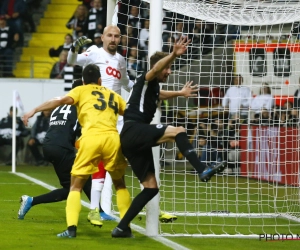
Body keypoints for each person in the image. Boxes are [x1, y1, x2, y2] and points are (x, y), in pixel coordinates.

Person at [111, 36, 226, 238]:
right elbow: (156, 71)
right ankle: (202, 169)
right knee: (178, 130)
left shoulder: (152, 88)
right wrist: (173, 54)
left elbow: (160, 94)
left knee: (151, 188)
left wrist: (180, 93)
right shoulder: (146, 77)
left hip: (132, 140)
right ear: (158, 66)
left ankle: (121, 227)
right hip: (134, 130)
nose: (170, 71)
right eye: (168, 68)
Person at [68, 25, 176, 224]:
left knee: (138, 161)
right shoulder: (94, 52)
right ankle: (95, 209)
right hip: (97, 119)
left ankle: (154, 208)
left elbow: (128, 84)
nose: (113, 39)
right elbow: (72, 61)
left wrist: (146, 91)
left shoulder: (121, 60)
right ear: (102, 37)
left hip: (118, 119)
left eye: (117, 36)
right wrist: (73, 48)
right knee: (99, 162)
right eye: (110, 35)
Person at [22, 64, 131, 238]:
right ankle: (123, 227)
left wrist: (34, 110)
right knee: (120, 185)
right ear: (100, 80)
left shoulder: (79, 93)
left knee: (74, 186)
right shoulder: (113, 94)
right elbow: (131, 114)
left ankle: (72, 229)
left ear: (83, 83)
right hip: (111, 139)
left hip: (85, 140)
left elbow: (58, 100)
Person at [18, 80, 93, 220]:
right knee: (84, 178)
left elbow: (63, 125)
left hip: (49, 146)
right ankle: (99, 211)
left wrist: (34, 110)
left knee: (69, 189)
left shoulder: (59, 107)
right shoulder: (80, 106)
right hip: (62, 147)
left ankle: (31, 201)